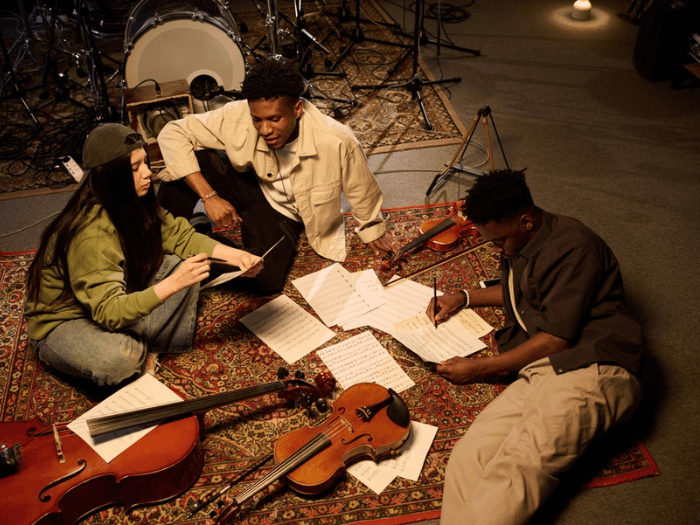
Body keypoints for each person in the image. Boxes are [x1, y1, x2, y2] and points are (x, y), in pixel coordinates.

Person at [426, 169, 642, 525]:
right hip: (543, 369)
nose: (495, 249)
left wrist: (477, 368)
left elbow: (558, 337)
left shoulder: (574, 247)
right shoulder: (523, 239)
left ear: (526, 220)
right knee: (469, 457)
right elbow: (524, 292)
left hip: (593, 366)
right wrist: (464, 297)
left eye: (497, 241)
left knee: (517, 467)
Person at [24, 123, 263, 386]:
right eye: (135, 168)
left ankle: (139, 343)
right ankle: (135, 348)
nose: (148, 173)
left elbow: (180, 237)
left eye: (145, 163)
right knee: (120, 360)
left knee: (183, 263)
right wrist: (174, 284)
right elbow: (109, 312)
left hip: (110, 296)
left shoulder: (132, 198)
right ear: (112, 177)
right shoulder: (90, 235)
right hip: (66, 322)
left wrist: (237, 257)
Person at [155, 57, 397, 294]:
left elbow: (361, 190)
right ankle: (166, 239)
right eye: (257, 120)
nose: (265, 129)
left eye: (274, 119)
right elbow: (172, 132)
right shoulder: (237, 115)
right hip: (249, 183)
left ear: (297, 109)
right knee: (181, 170)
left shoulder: (337, 139)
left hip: (283, 211)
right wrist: (209, 196)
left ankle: (200, 249)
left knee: (264, 279)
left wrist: (373, 230)